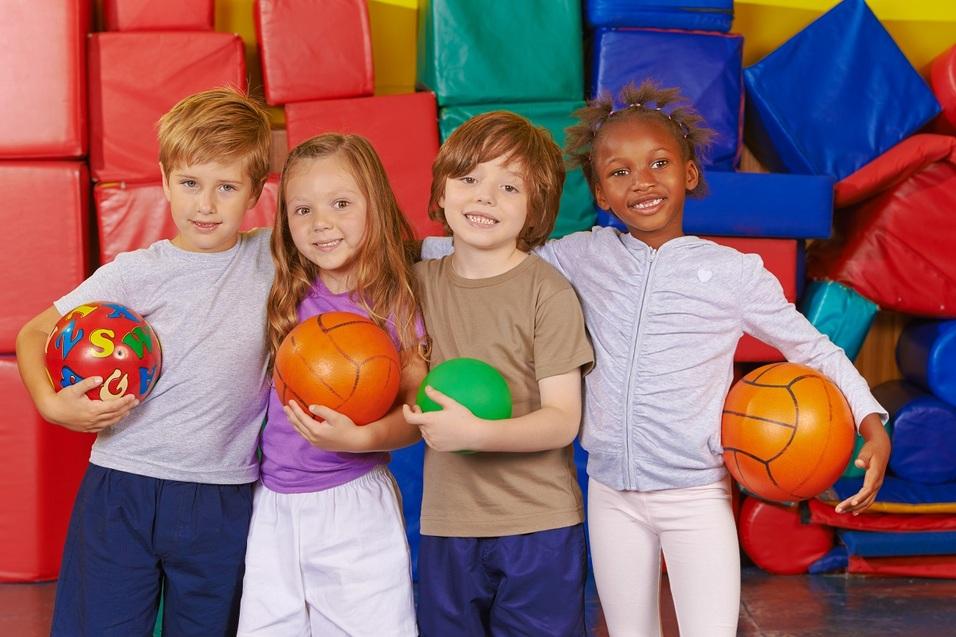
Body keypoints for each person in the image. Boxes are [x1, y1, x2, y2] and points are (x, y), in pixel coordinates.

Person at [422, 82, 892, 637]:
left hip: (696, 495)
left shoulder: (734, 274)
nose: (641, 181)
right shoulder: (581, 256)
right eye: (619, 172)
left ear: (689, 173)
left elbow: (811, 347)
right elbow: (489, 252)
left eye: (659, 163)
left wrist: (870, 419)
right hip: (611, 496)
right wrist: (382, 255)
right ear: (600, 193)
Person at [15, 87, 273, 636]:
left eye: (227, 187)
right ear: (164, 180)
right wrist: (53, 406)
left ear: (256, 190)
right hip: (122, 485)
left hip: (222, 494)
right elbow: (34, 332)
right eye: (190, 183)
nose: (206, 205)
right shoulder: (137, 272)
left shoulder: (272, 257)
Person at [403, 111, 595, 636]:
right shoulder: (417, 286)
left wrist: (477, 434)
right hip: (448, 525)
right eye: (468, 178)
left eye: (509, 187)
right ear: (441, 191)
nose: (484, 197)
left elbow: (562, 420)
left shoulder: (547, 292)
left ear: (536, 208)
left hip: (539, 527)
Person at [237, 133, 424, 636]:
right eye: (303, 210)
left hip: (353, 504)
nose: (321, 223)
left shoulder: (394, 303)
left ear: (375, 204)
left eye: (341, 203)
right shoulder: (285, 292)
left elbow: (415, 413)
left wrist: (361, 438)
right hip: (272, 502)